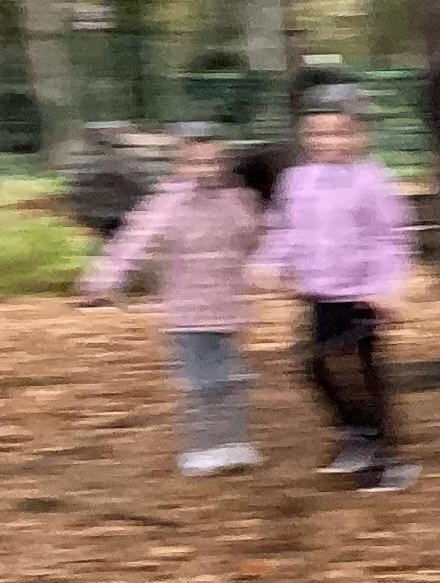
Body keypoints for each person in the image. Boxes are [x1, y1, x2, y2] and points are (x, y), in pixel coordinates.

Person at [78, 123, 268, 476]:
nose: (205, 170)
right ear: (180, 164)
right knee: (203, 382)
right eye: (195, 162)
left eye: (213, 162)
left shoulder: (239, 201)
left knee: (231, 378)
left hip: (228, 308)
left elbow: (257, 237)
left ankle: (233, 443)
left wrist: (267, 266)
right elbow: (133, 240)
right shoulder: (166, 203)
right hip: (187, 311)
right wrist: (104, 278)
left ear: (224, 163)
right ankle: (201, 448)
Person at [257, 86, 417, 489]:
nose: (329, 142)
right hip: (319, 294)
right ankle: (357, 433)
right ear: (305, 136)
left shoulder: (372, 181)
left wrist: (388, 288)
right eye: (319, 133)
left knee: (363, 372)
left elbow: (391, 239)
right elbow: (284, 230)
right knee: (313, 366)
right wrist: (270, 263)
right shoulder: (296, 181)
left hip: (363, 296)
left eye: (340, 133)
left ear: (360, 135)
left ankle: (385, 456)